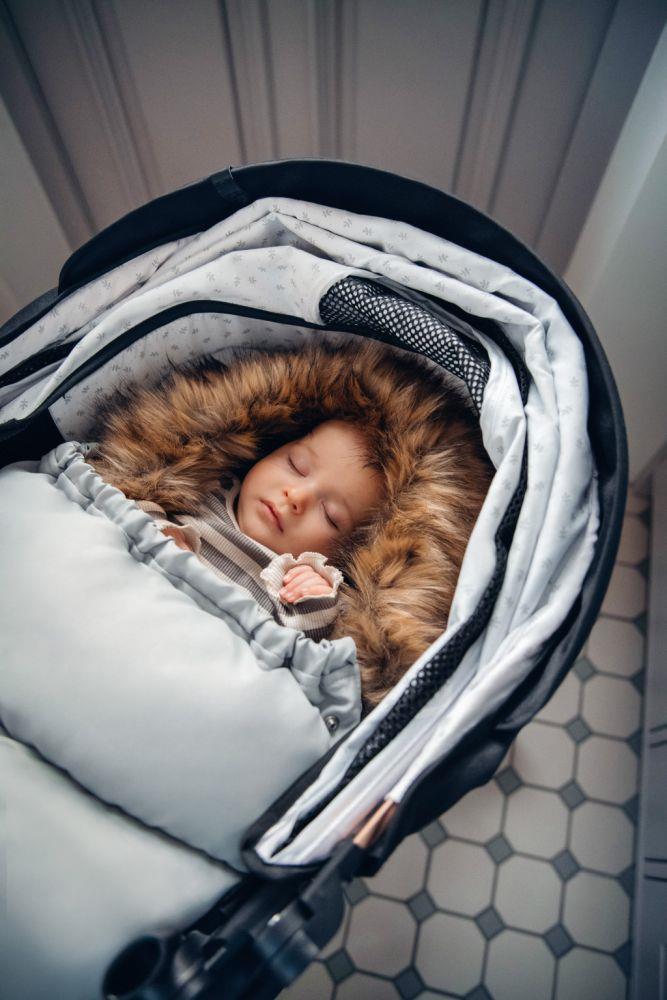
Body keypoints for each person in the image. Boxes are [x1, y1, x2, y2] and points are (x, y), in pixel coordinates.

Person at [129, 418, 385, 642]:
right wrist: (160, 531)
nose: (296, 496)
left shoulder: (297, 583)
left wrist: (318, 605)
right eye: (296, 465)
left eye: (330, 515)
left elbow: (300, 653)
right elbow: (128, 501)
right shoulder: (204, 489)